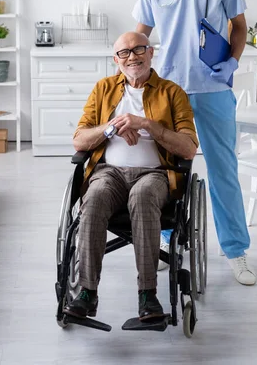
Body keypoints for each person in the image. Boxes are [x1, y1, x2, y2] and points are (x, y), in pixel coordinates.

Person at [132, 0, 256, 286]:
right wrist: (131, 64)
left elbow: (239, 27)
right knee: (168, 171)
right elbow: (140, 36)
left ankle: (236, 251)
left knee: (223, 171)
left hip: (214, 88)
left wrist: (232, 62)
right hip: (170, 91)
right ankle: (169, 243)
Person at [64, 31, 198, 321]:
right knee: (95, 196)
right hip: (108, 173)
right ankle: (87, 292)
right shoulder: (103, 89)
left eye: (138, 49)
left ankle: (148, 295)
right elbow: (80, 139)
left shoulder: (172, 93)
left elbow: (188, 147)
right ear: (116, 59)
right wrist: (112, 127)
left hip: (154, 174)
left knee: (143, 194)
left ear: (151, 53)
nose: (132, 56)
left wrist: (146, 124)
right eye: (124, 52)